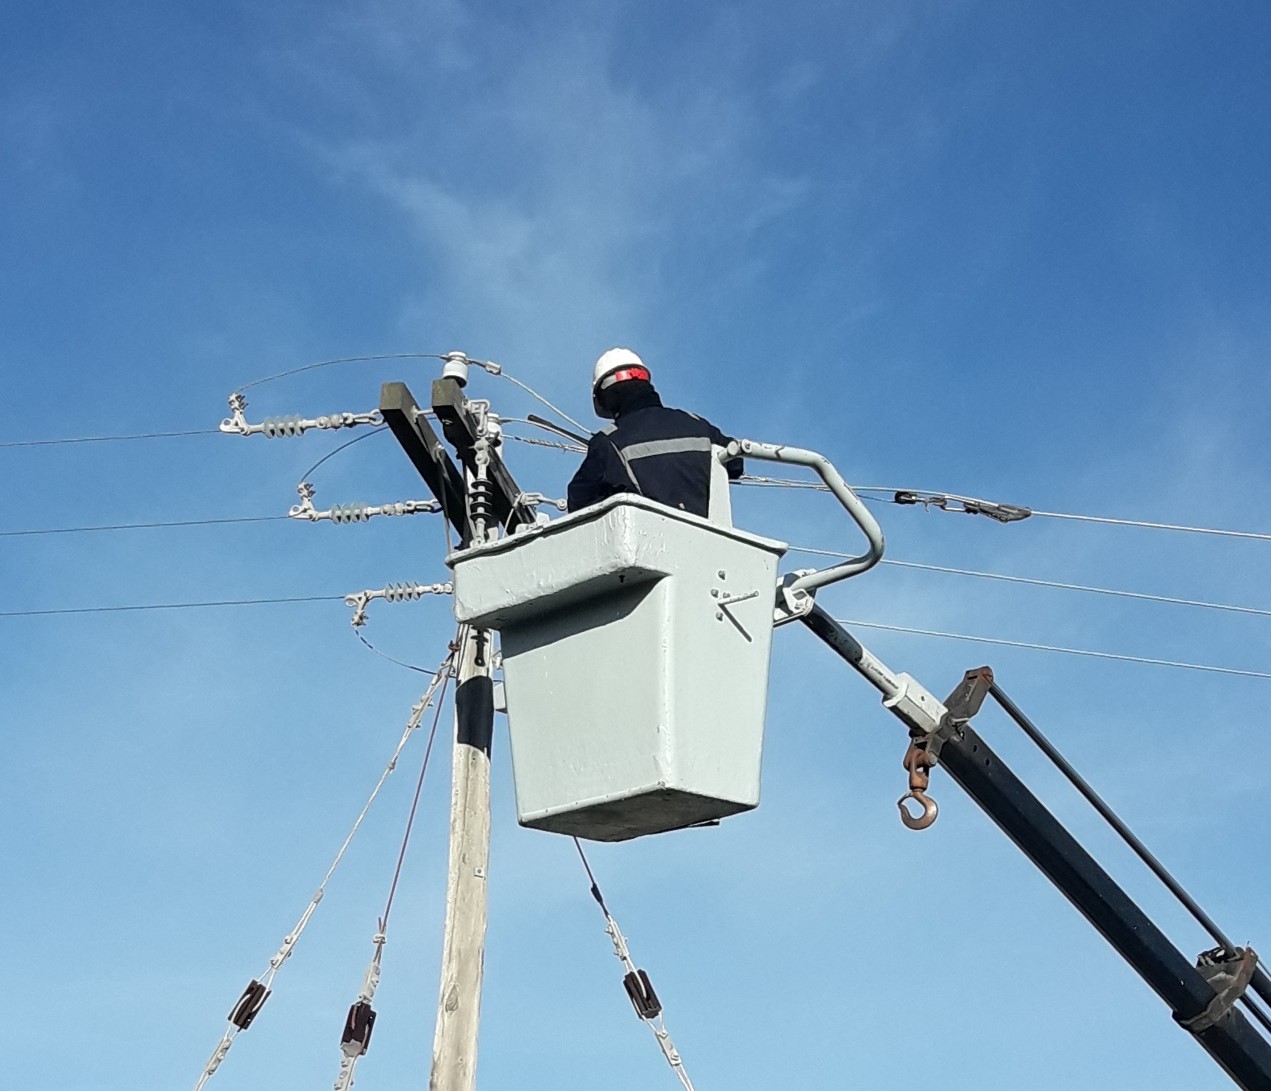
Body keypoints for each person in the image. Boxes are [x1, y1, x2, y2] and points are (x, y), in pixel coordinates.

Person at [566, 348, 743, 517]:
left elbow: (578, 501)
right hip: (708, 540)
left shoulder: (607, 440)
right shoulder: (695, 423)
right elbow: (735, 462)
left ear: (606, 398)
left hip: (650, 542)